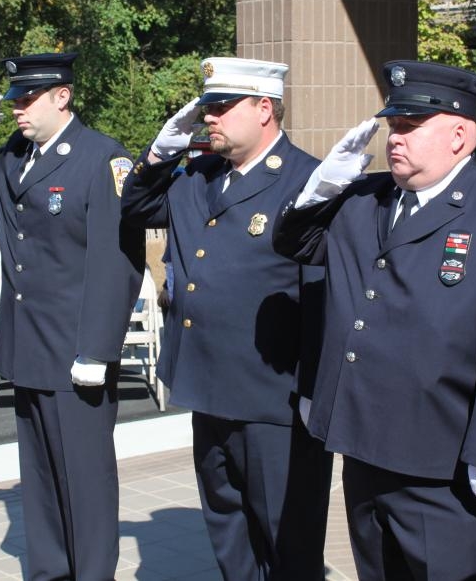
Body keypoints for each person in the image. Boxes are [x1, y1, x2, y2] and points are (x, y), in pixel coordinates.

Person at [273, 60, 476, 580]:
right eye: (393, 126)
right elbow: (294, 242)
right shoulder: (363, 200)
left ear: (460, 135)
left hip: (444, 470)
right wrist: (322, 185)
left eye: (411, 126)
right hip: (364, 448)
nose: (395, 139)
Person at [0, 52, 144, 581]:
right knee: (42, 476)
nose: (17, 110)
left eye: (27, 99)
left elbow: (117, 262)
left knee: (86, 481)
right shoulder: (14, 155)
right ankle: (51, 571)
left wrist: (98, 349)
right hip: (28, 345)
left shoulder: (102, 159)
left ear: (62, 97)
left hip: (77, 351)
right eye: (14, 101)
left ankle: (93, 574)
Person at [121, 57, 333, 580]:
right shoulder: (197, 175)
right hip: (207, 388)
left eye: (220, 106)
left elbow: (323, 296)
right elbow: (136, 207)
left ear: (265, 108)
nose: (208, 117)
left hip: (274, 398)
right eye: (206, 107)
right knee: (228, 529)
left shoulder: (307, 181)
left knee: (287, 541)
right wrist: (159, 152)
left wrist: (317, 390)